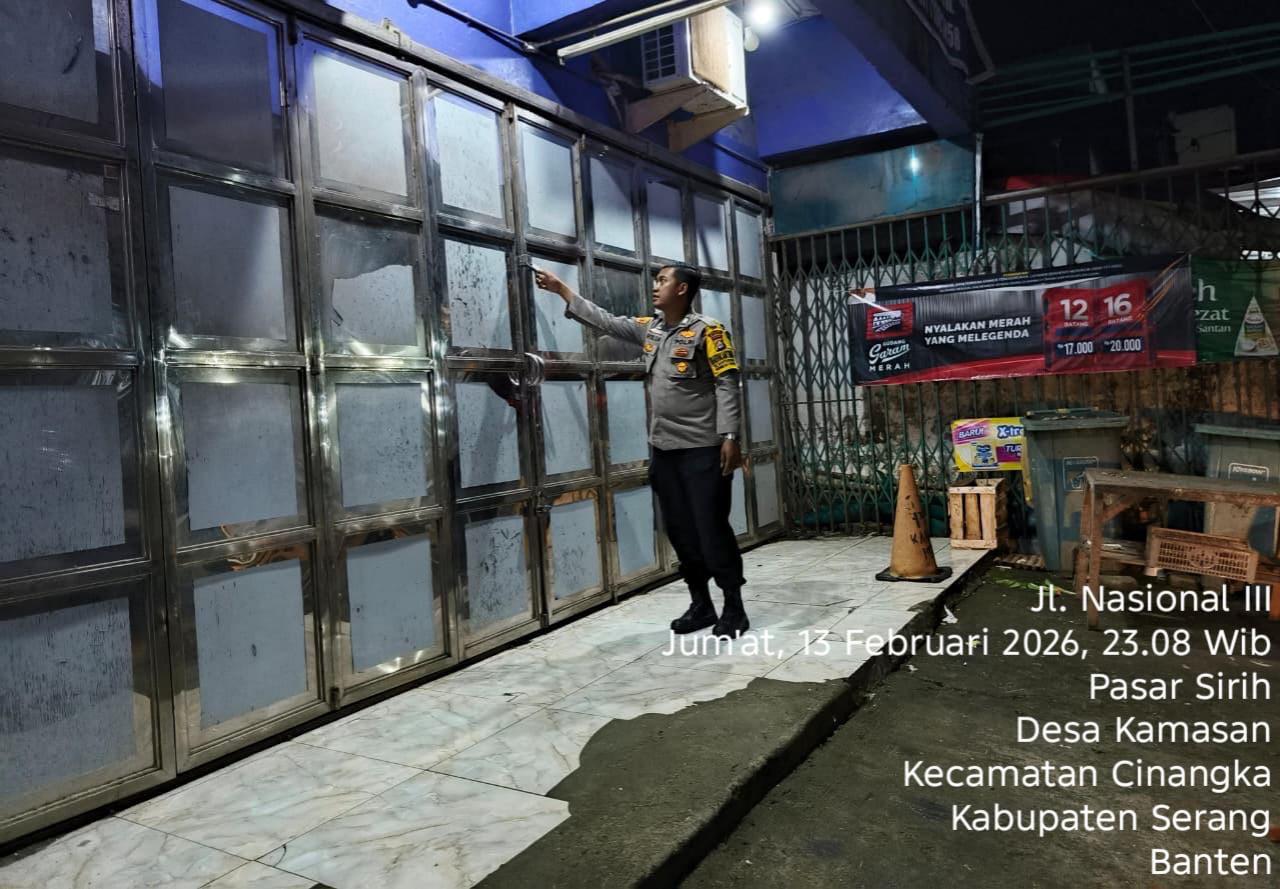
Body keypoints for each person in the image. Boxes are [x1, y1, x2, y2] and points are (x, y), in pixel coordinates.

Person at [534, 263, 750, 638]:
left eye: (663, 280)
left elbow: (727, 383)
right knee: (680, 530)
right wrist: (562, 290)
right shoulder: (651, 329)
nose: (655, 286)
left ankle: (734, 606)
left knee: (711, 528)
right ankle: (701, 604)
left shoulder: (709, 331)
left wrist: (730, 436)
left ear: (682, 289)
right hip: (664, 450)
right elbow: (604, 320)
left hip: (703, 449)